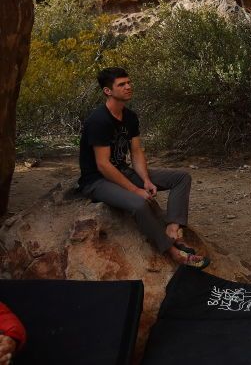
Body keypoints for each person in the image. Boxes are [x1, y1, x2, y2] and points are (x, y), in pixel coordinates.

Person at [77, 67, 209, 268]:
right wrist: (135, 190)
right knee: (139, 204)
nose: (128, 87)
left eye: (129, 82)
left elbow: (136, 152)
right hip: (97, 181)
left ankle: (173, 229)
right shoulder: (98, 120)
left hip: (123, 171)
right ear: (108, 91)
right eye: (122, 84)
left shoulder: (130, 117)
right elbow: (103, 165)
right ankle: (173, 252)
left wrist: (146, 180)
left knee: (181, 178)